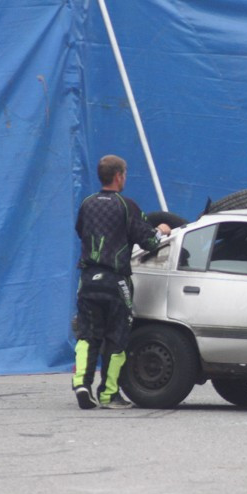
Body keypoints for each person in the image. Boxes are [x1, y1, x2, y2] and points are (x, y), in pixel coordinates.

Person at [73, 155, 170, 410]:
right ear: (118, 176)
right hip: (115, 282)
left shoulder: (87, 203)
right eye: (125, 174)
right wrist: (161, 230)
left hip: (87, 280)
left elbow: (81, 230)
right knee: (117, 338)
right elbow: (149, 242)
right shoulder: (127, 206)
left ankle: (81, 383)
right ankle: (108, 394)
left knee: (87, 335)